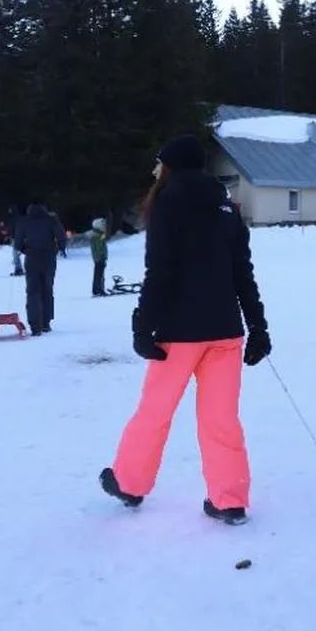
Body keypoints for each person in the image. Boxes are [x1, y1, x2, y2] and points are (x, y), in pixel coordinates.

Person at [100, 134, 272, 525]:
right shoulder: (226, 208)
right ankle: (229, 499)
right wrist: (258, 327)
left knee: (154, 412)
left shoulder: (166, 203)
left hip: (177, 334)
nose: (155, 170)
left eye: (159, 163)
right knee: (221, 419)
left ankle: (129, 482)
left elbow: (160, 270)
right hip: (226, 333)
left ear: (171, 166)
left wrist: (143, 325)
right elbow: (242, 274)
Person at [13, 201, 66, 335]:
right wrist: (60, 247)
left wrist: (24, 250)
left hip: (32, 258)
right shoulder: (51, 220)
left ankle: (35, 325)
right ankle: (46, 322)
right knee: (47, 289)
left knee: (32, 291)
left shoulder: (24, 221)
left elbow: (18, 243)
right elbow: (61, 235)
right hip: (48, 258)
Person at [90, 218, 108, 297]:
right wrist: (102, 256)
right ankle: (99, 289)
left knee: (98, 274)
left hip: (98, 257)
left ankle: (96, 289)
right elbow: (100, 247)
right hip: (99, 257)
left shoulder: (98, 234)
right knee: (99, 274)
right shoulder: (98, 235)